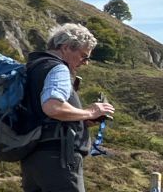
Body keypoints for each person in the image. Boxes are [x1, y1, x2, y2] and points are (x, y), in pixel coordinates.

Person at [21, 23, 117, 192]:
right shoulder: (58, 68)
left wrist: (82, 120)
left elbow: (43, 114)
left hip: (32, 159)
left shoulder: (32, 68)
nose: (85, 63)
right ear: (66, 48)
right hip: (59, 159)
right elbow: (53, 108)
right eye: (83, 56)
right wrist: (91, 111)